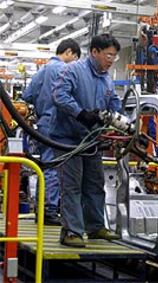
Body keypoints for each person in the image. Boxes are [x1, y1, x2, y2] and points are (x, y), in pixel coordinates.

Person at [50, 34, 122, 247]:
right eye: (108, 55)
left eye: (114, 57)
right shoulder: (72, 70)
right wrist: (81, 114)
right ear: (94, 52)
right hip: (67, 138)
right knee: (72, 185)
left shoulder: (106, 79)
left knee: (94, 183)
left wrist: (122, 122)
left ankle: (95, 227)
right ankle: (71, 232)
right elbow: (59, 95)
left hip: (91, 140)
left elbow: (114, 104)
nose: (111, 60)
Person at [22, 39, 81, 225]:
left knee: (46, 166)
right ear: (69, 52)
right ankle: (48, 209)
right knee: (54, 167)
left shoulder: (43, 70)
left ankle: (42, 208)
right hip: (57, 124)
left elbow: (27, 95)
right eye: (75, 58)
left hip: (42, 124)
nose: (75, 62)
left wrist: (42, 103)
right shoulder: (65, 70)